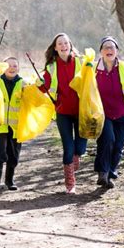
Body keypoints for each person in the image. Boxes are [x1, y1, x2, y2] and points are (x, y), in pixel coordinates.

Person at [37, 33, 86, 194]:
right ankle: (70, 183)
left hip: (82, 111)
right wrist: (37, 83)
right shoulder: (51, 67)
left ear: (70, 45)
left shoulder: (81, 62)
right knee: (68, 146)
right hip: (63, 111)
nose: (63, 45)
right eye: (60, 43)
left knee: (80, 147)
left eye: (66, 43)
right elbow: (43, 87)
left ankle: (76, 157)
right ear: (56, 48)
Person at [94, 36, 124, 189]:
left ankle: (111, 171)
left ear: (117, 51)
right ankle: (103, 173)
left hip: (123, 112)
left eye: (112, 47)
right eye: (106, 47)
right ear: (101, 52)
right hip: (103, 113)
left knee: (118, 145)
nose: (109, 50)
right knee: (107, 140)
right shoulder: (93, 70)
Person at [0, 57, 24, 190]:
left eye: (15, 66)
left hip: (16, 126)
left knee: (14, 156)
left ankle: (9, 180)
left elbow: (34, 96)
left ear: (19, 68)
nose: (11, 68)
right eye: (8, 65)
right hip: (0, 123)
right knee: (0, 151)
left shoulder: (23, 84)